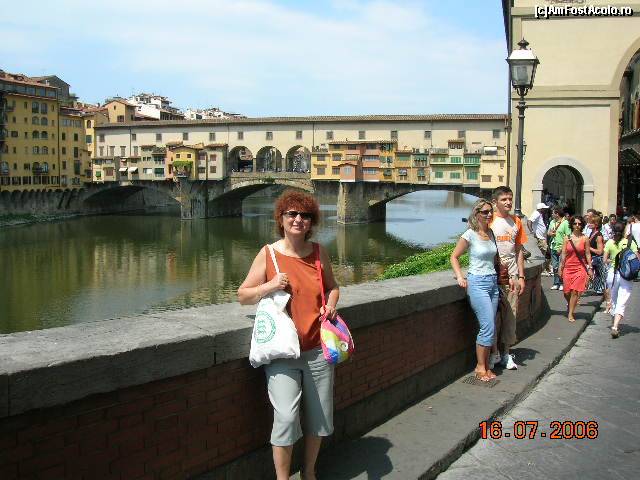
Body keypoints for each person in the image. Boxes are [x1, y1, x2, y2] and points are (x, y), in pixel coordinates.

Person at [237, 190, 339, 480]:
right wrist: (270, 286)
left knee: (319, 418)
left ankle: (309, 472)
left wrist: (331, 305)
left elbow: (332, 287)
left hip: (318, 349)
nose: (298, 219)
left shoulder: (319, 252)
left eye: (305, 215)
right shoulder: (268, 253)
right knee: (285, 417)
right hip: (283, 351)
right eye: (291, 214)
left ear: (311, 222)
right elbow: (243, 295)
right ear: (280, 219)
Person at [450, 199, 499, 382]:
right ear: (476, 214)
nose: (489, 214)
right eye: (485, 212)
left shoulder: (491, 233)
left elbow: (493, 259)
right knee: (488, 327)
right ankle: (480, 367)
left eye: (490, 211)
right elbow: (454, 257)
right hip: (477, 282)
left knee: (490, 327)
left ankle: (486, 365)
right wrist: (460, 277)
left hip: (492, 282)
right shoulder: (469, 234)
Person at [489, 186, 527, 371]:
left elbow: (518, 250)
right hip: (493, 276)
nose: (508, 202)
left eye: (510, 199)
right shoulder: (489, 221)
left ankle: (506, 353)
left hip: (512, 276)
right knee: (492, 317)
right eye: (504, 199)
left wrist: (521, 276)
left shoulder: (516, 222)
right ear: (495, 202)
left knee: (510, 317)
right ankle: (494, 352)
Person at [603, 223, 638, 338]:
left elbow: (605, 260)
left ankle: (613, 321)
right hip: (626, 275)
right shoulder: (630, 243)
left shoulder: (609, 243)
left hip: (613, 274)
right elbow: (637, 259)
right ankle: (615, 326)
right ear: (624, 232)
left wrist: (613, 260)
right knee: (622, 300)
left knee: (614, 299)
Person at [559, 216, 593, 322]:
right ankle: (571, 304)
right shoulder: (567, 238)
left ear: (582, 225)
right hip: (568, 267)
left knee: (574, 291)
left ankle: (570, 313)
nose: (577, 226)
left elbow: (588, 253)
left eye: (579, 224)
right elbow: (563, 253)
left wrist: (590, 267)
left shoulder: (585, 238)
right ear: (572, 225)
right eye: (575, 223)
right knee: (566, 292)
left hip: (580, 267)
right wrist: (561, 267)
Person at [548, 207, 571, 290]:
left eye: (553, 213)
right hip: (553, 246)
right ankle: (556, 283)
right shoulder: (552, 222)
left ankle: (562, 283)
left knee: (562, 266)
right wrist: (551, 233)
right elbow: (548, 232)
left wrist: (562, 248)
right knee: (555, 266)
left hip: (562, 248)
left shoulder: (565, 223)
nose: (552, 214)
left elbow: (568, 236)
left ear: (557, 214)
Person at [527, 202, 551, 275]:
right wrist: (532, 231)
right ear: (541, 209)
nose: (545, 210)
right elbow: (529, 221)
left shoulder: (539, 214)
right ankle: (544, 269)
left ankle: (545, 269)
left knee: (544, 254)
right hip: (540, 238)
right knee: (547, 253)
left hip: (542, 237)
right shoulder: (536, 214)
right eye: (544, 209)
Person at [587, 214, 606, 295]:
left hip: (597, 258)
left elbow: (600, 251)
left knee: (600, 275)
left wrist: (588, 247)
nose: (589, 224)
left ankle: (601, 290)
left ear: (596, 224)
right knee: (596, 275)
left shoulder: (598, 236)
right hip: (593, 258)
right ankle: (597, 289)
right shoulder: (592, 233)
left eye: (591, 223)